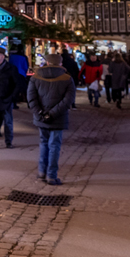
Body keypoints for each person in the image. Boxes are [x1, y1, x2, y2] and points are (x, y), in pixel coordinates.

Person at [27, 54, 75, 186]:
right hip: (58, 117)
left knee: (43, 143)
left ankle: (41, 172)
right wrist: (52, 114)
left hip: (41, 117)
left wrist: (40, 113)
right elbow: (68, 100)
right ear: (60, 63)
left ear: (47, 62)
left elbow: (31, 98)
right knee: (54, 145)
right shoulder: (67, 78)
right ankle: (52, 176)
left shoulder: (35, 77)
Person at [9, 45, 29, 110]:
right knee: (25, 89)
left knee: (13, 89)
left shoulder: (11, 56)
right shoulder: (23, 57)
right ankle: (29, 103)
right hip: (21, 74)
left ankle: (14, 103)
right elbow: (26, 67)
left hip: (12, 74)